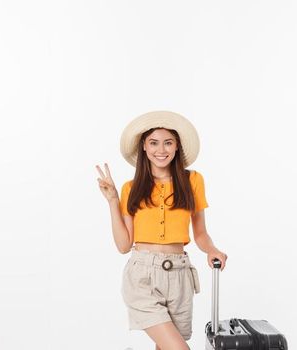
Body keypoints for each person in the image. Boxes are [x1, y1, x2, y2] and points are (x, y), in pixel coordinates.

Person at [96, 111, 228, 350]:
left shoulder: (193, 181)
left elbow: (200, 233)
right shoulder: (131, 188)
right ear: (144, 147)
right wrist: (113, 201)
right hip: (142, 276)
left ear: (177, 147)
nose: (161, 150)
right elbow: (124, 245)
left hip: (179, 275)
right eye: (153, 142)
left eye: (168, 142)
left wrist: (212, 250)